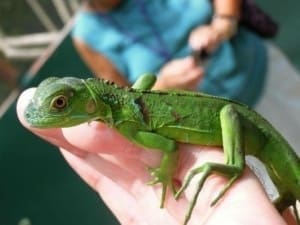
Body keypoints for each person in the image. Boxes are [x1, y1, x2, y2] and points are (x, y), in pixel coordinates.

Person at [17, 89, 297, 225]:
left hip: (242, 126)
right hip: (253, 132)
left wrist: (164, 174)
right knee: (287, 195)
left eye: (60, 104)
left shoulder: (129, 126)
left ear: (90, 102)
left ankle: (235, 165)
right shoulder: (121, 113)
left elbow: (170, 148)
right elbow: (147, 81)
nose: (53, 113)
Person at [71, 0, 267, 107]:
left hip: (261, 75)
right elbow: (124, 103)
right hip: (215, 122)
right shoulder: (86, 35)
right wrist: (164, 84)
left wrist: (222, 24)